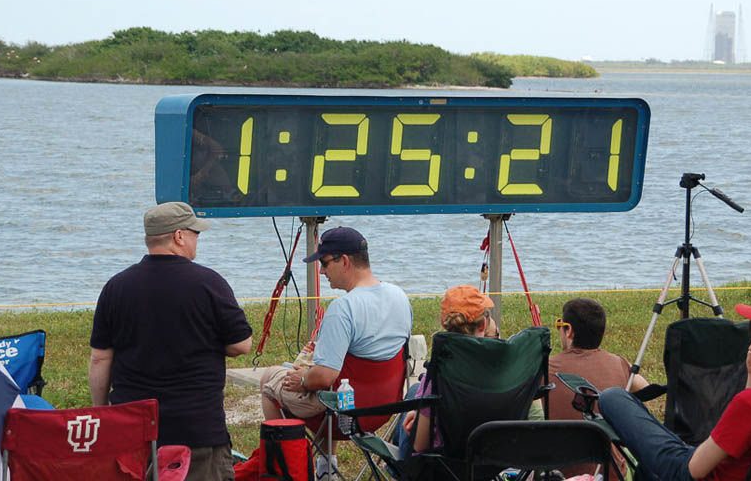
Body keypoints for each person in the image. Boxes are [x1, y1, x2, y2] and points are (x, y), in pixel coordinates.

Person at [89, 202, 253, 481]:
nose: (197, 240)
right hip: (197, 432)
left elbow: (100, 358)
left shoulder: (116, 286)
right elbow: (241, 345)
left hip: (133, 428)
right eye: (195, 234)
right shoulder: (208, 283)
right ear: (179, 236)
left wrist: (103, 412)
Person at [599, 298, 751, 481]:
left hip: (690, 471)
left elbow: (695, 468)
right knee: (657, 456)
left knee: (614, 397)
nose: (750, 346)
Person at [259, 226, 412, 478]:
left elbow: (324, 378)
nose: (321, 270)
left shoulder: (344, 308)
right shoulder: (400, 297)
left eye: (325, 263)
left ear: (344, 261)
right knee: (331, 385)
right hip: (382, 411)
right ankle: (324, 470)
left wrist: (304, 379)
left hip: (341, 417)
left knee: (270, 378)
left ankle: (285, 469)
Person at [547, 298, 649, 481]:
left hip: (558, 474)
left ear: (569, 331)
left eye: (559, 326)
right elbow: (646, 388)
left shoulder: (547, 368)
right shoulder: (618, 364)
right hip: (613, 473)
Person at [392, 284, 498, 459]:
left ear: (444, 323)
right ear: (484, 325)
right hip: (491, 458)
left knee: (414, 398)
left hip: (442, 464)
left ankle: (395, 468)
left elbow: (419, 444)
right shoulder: (501, 368)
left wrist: (420, 415)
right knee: (414, 392)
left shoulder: (437, 375)